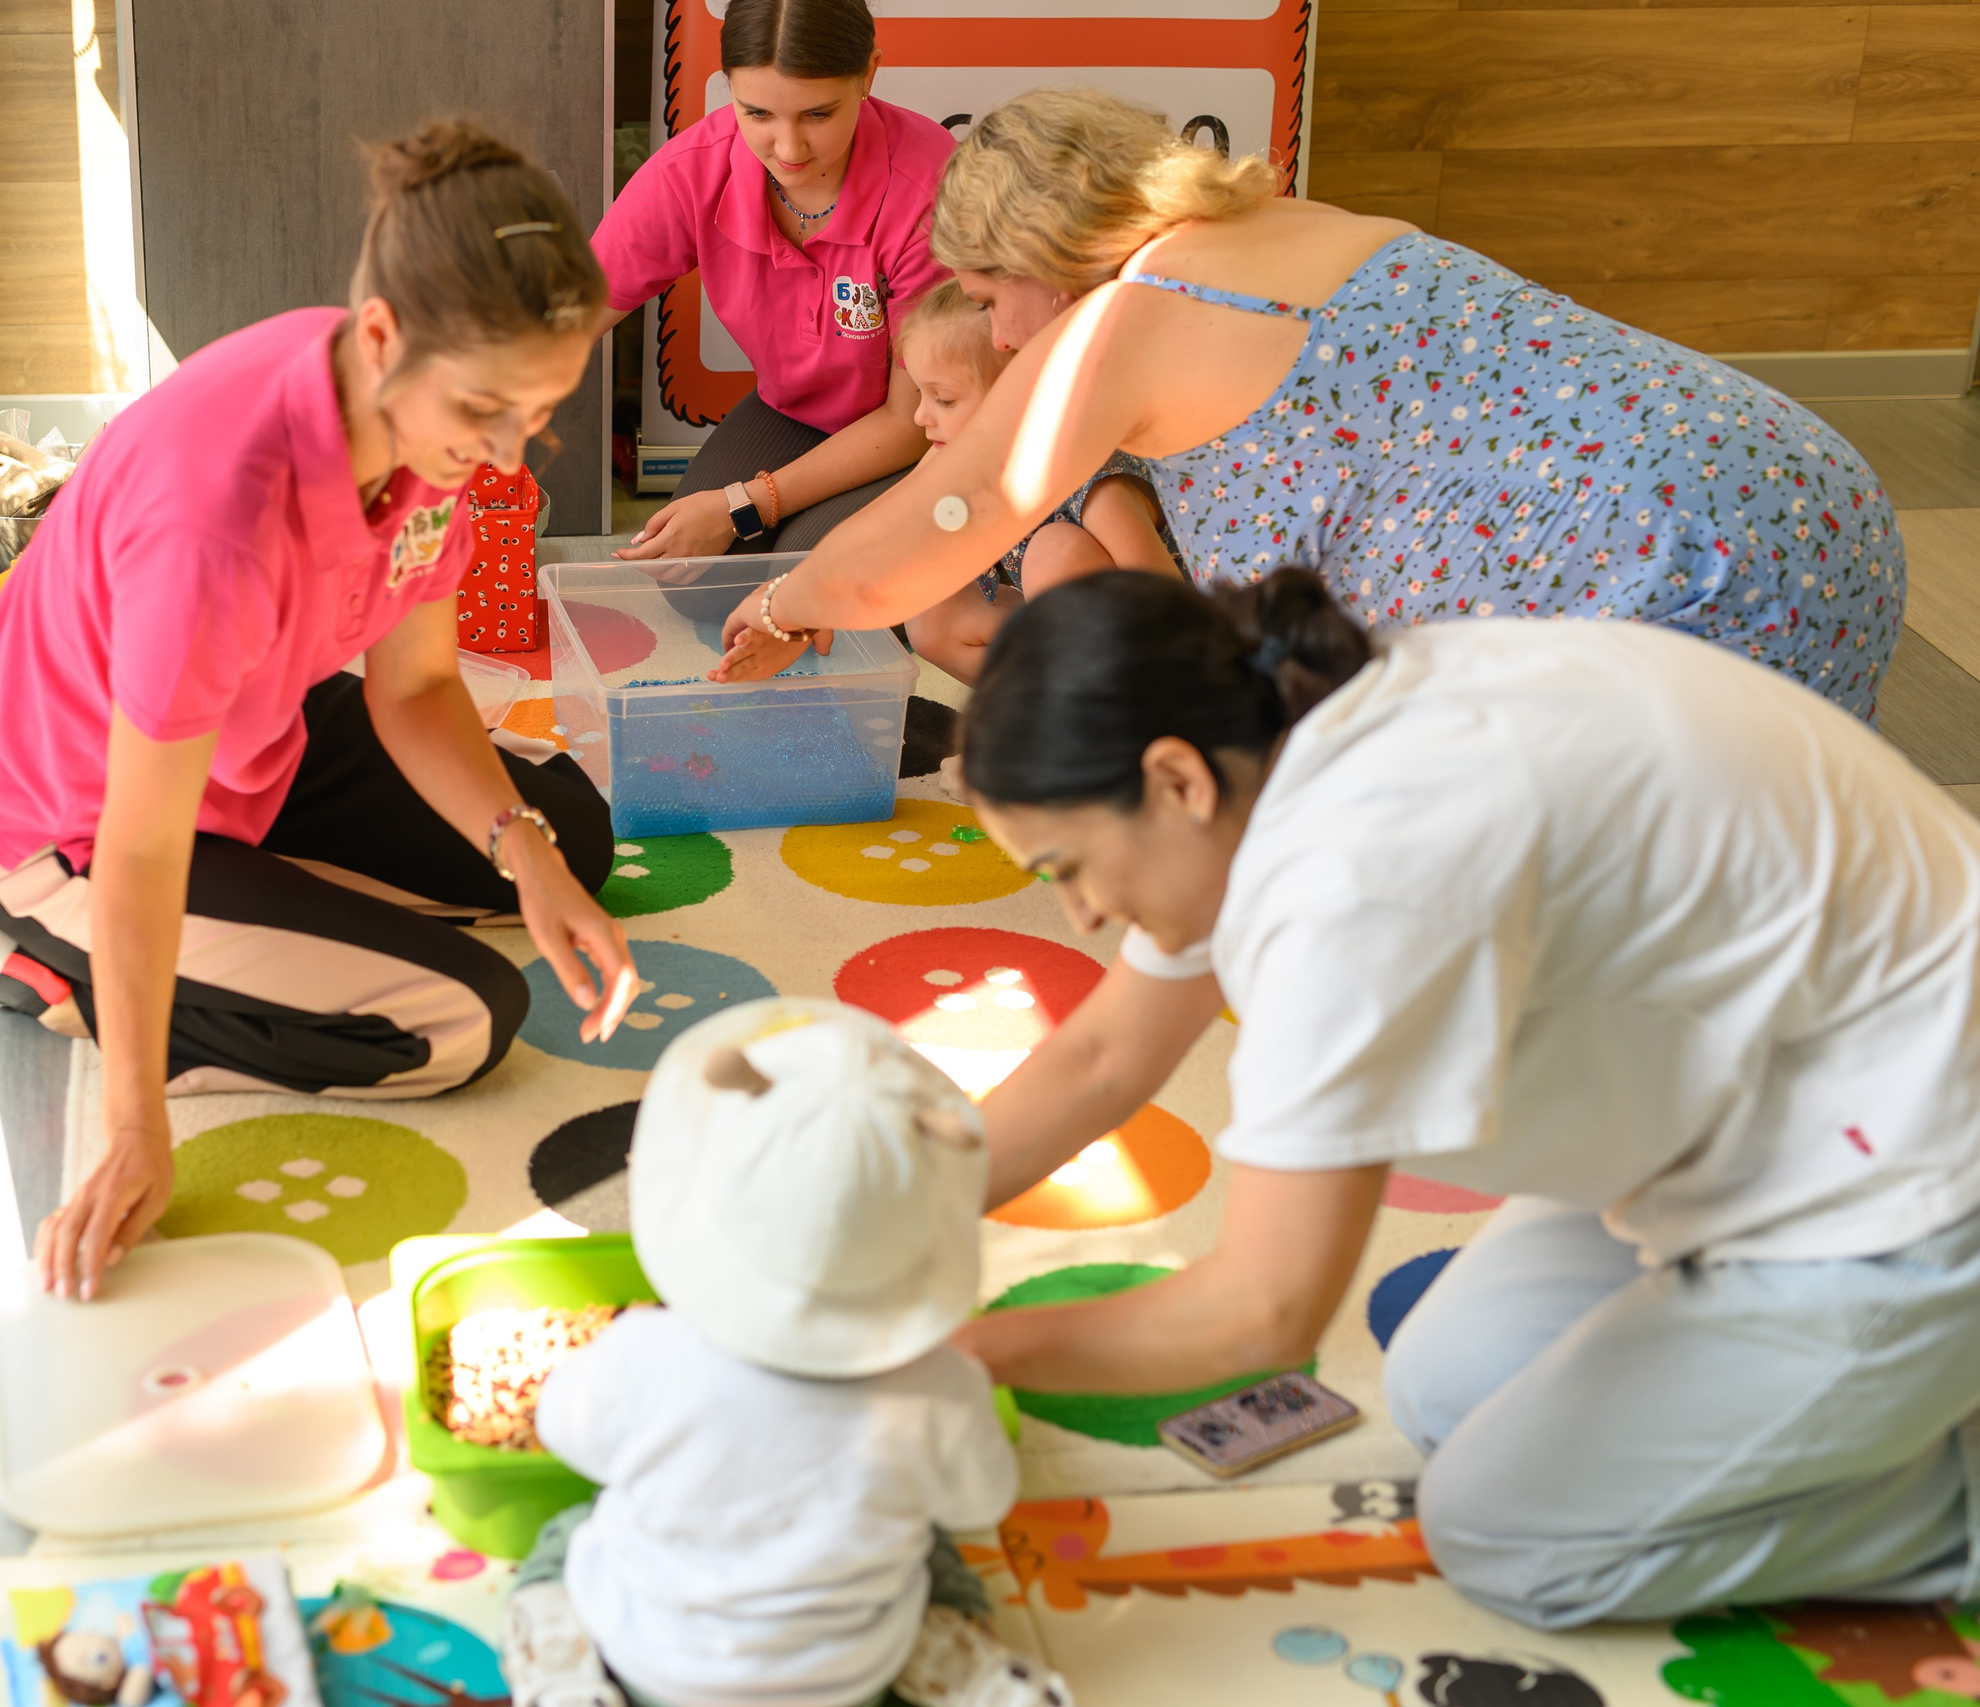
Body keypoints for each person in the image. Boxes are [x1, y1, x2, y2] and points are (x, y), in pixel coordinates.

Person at [948, 565, 1980, 1627]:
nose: (1078, 915)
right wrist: (865, 1214)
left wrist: (961, 1356)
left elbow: (1259, 1310)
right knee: (1448, 1388)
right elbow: (1101, 1061)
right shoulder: (1289, 722)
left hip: (1912, 1176)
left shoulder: (1358, 877)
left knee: (1511, 1539)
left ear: (1173, 781)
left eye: (1067, 866)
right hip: (1762, 1101)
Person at [0, 122, 636, 1302]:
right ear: (380, 337)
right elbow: (142, 844)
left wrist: (530, 859)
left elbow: (413, 687)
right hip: (76, 829)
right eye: (485, 409)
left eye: (539, 410)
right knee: (462, 1019)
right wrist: (138, 1122)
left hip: (254, 734)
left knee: (577, 836)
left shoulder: (420, 431)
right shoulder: (215, 520)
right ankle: (77, 984)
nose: (510, 449)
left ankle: (267, 929)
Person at [713, 88, 1903, 713]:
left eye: (991, 294)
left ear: (1051, 253)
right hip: (1804, 487)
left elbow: (935, 530)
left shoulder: (1118, 318)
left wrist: (784, 599)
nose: (1002, 330)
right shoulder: (1293, 224)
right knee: (1761, 864)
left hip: (1666, 569)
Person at [500, 999, 1071, 1707]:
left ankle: (565, 1679)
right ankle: (968, 1673)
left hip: (653, 1667)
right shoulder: (940, 1384)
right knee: (933, 1547)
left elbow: (563, 1428)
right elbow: (980, 1501)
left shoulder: (647, 1349)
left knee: (569, 1531)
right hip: (847, 1678)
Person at [593, 0, 952, 561]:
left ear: (869, 75)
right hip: (795, 412)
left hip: (929, 431)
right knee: (688, 568)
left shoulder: (929, 192)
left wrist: (744, 503)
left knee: (804, 583)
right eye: (757, 113)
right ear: (728, 85)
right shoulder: (693, 168)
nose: (788, 150)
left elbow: (911, 420)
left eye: (817, 114)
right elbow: (570, 315)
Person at [891, 281, 1177, 683]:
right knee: (931, 613)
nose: (921, 416)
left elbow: (1175, 608)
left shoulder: (1098, 486)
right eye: (921, 393)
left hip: (1146, 656)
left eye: (944, 399)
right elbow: (893, 518)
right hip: (1059, 628)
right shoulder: (954, 455)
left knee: (1054, 551)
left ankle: (1085, 729)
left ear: (1019, 399)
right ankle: (1030, 712)